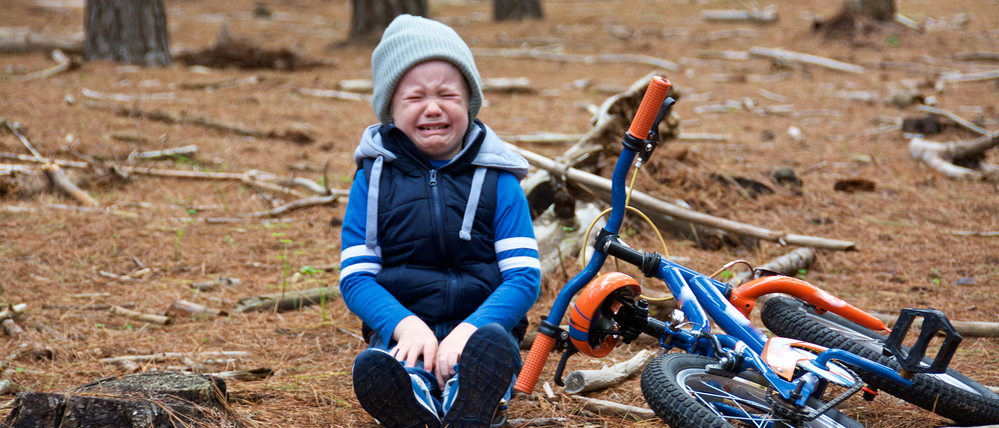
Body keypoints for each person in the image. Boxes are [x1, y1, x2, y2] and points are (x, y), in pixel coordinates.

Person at [338, 14, 541, 428]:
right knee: (393, 365)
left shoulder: (498, 180)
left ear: (468, 100)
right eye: (414, 98)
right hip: (404, 330)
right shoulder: (372, 181)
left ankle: (472, 400)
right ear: (390, 109)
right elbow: (356, 277)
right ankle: (411, 401)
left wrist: (471, 329)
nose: (433, 108)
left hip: (483, 331)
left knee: (485, 356)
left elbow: (523, 278)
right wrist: (406, 327)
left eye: (447, 94)